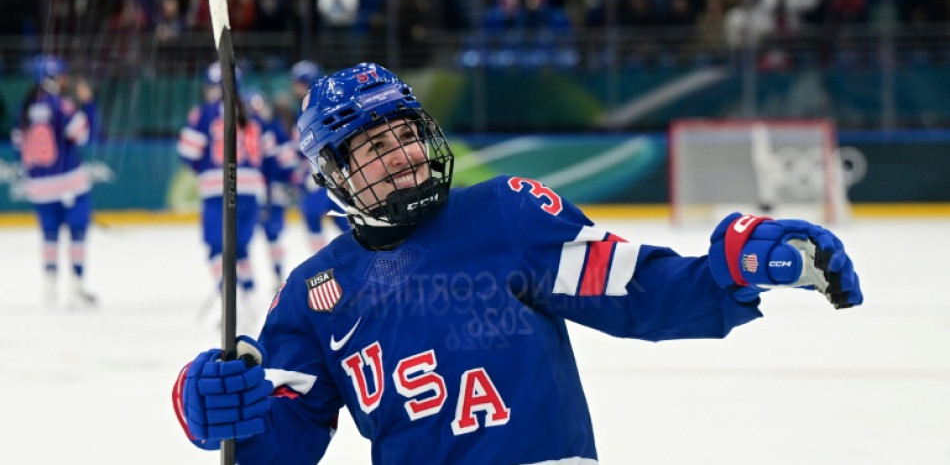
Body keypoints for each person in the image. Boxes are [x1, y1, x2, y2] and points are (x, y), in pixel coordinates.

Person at [172, 63, 863, 465]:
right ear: (333, 172)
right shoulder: (312, 293)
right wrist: (218, 405)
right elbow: (279, 444)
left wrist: (727, 270)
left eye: (406, 134)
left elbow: (639, 291)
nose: (405, 154)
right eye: (374, 146)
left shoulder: (505, 214)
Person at [176, 62, 274, 326]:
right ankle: (251, 300)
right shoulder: (253, 112)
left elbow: (187, 152)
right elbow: (267, 154)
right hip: (251, 189)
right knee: (241, 248)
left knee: (216, 249)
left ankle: (231, 302)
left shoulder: (206, 113)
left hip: (218, 187)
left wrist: (202, 169)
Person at [11, 55, 98, 308]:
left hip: (40, 188)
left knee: (49, 236)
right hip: (68, 183)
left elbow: (19, 147)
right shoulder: (61, 105)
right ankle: (76, 286)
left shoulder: (24, 108)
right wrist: (89, 104)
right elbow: (82, 135)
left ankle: (49, 286)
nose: (63, 80)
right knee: (77, 234)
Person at [289, 59, 349, 251]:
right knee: (341, 217)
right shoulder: (319, 105)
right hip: (330, 171)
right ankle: (362, 253)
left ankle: (324, 264)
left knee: (314, 215)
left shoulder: (311, 109)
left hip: (322, 172)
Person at [244, 87, 297, 292]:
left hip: (260, 191)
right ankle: (262, 280)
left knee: (260, 237)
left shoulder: (268, 129)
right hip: (265, 190)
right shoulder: (270, 129)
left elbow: (283, 160)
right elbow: (285, 161)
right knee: (270, 235)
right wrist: (293, 179)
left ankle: (249, 284)